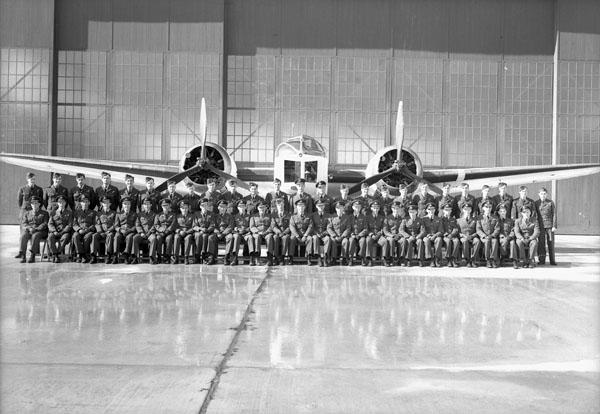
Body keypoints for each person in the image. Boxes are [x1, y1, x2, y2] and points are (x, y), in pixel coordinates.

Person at [18, 196, 49, 263]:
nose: (34, 205)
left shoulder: (44, 213)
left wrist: (36, 229)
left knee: (35, 235)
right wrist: (29, 228)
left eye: (36, 203)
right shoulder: (27, 213)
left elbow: (45, 223)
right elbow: (24, 223)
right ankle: (23, 255)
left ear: (39, 204)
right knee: (23, 236)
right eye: (32, 203)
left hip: (41, 231)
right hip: (30, 230)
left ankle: (33, 255)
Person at [47, 195, 73, 263]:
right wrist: (54, 231)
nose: (61, 204)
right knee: (50, 237)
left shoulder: (69, 213)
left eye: (63, 202)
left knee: (65, 237)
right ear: (57, 203)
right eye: (59, 202)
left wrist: (63, 231)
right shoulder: (53, 213)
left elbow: (69, 225)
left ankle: (57, 254)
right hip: (55, 232)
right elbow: (50, 224)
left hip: (64, 232)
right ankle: (55, 255)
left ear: (65, 203)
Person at [92, 197, 117, 264]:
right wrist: (100, 232)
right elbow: (97, 224)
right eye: (104, 202)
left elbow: (115, 224)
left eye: (107, 202)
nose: (106, 204)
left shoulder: (114, 213)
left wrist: (109, 230)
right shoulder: (99, 213)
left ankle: (108, 255)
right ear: (102, 204)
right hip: (101, 232)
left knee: (110, 235)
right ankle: (93, 256)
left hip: (110, 232)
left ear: (110, 204)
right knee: (94, 236)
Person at [535, 187, 557, 265]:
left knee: (550, 243)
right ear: (539, 194)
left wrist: (554, 226)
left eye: (544, 194)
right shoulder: (536, 203)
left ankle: (552, 260)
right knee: (541, 243)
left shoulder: (550, 202)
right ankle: (541, 260)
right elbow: (535, 215)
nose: (543, 195)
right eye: (541, 194)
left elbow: (554, 214)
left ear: (547, 194)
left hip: (549, 226)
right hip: (540, 226)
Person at [150, 199, 176, 264]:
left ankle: (167, 257)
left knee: (169, 239)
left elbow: (173, 224)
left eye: (166, 205)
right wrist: (162, 230)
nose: (165, 207)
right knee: (158, 238)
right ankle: (159, 256)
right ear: (161, 206)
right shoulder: (158, 215)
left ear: (169, 205)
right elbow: (156, 225)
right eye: (163, 206)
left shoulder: (173, 215)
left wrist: (167, 231)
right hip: (160, 232)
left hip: (169, 233)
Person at [132, 198, 156, 264]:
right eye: (145, 204)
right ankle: (135, 257)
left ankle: (152, 257)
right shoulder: (139, 214)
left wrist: (148, 233)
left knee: (153, 238)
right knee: (135, 238)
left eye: (148, 204)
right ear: (143, 205)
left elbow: (155, 225)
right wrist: (141, 232)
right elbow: (137, 225)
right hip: (141, 233)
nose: (147, 206)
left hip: (150, 233)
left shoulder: (154, 214)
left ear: (151, 205)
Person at [72, 197, 96, 263]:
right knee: (75, 236)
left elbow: (95, 224)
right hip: (80, 230)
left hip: (89, 230)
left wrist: (88, 229)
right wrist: (79, 230)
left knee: (87, 237)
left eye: (86, 202)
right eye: (83, 202)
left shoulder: (93, 212)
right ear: (80, 203)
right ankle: (81, 254)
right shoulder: (76, 212)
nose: (85, 204)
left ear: (89, 203)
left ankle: (84, 254)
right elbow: (74, 224)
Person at [476, 201, 500, 268]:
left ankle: (493, 259)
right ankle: (488, 260)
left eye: (490, 207)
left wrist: (492, 235)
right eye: (486, 207)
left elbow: (497, 228)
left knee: (494, 241)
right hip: (484, 237)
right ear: (483, 208)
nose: (488, 208)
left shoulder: (495, 217)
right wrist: (484, 236)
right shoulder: (480, 217)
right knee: (487, 242)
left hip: (492, 236)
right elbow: (478, 229)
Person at [289, 199, 314, 265]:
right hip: (296, 235)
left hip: (305, 235)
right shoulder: (293, 217)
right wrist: (297, 236)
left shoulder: (309, 216)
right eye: (299, 206)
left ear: (305, 207)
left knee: (310, 239)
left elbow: (310, 226)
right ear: (297, 207)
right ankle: (291, 257)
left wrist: (305, 235)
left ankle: (308, 257)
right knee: (292, 239)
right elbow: (292, 227)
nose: (301, 208)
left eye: (302, 206)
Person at [114, 197, 138, 264]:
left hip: (130, 231)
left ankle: (126, 256)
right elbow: (116, 226)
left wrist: (129, 231)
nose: (126, 206)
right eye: (125, 204)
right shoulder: (118, 214)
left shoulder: (134, 214)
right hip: (121, 231)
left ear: (130, 205)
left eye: (128, 204)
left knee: (129, 237)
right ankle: (115, 256)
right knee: (116, 237)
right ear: (122, 205)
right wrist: (120, 230)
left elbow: (136, 226)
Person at [193, 199, 217, 264]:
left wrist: (207, 230)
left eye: (206, 205)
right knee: (199, 235)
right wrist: (200, 229)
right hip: (199, 231)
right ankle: (197, 255)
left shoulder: (211, 214)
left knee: (205, 236)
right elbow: (194, 226)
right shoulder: (196, 214)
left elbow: (212, 225)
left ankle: (204, 255)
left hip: (208, 232)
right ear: (200, 206)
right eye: (202, 205)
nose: (204, 206)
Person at [171, 200, 195, 264]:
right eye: (183, 208)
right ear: (180, 209)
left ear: (188, 208)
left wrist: (187, 232)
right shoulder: (177, 216)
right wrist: (179, 231)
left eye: (186, 208)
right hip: (179, 232)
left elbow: (194, 226)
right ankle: (176, 257)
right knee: (176, 237)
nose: (184, 209)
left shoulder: (192, 216)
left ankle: (186, 257)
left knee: (188, 238)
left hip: (188, 233)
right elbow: (174, 227)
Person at [346, 199, 369, 266]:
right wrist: (352, 234)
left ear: (361, 207)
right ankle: (351, 258)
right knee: (351, 240)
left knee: (363, 241)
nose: (357, 208)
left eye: (359, 207)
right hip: (352, 235)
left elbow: (366, 228)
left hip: (360, 235)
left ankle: (362, 258)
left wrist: (359, 235)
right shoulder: (349, 217)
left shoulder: (363, 217)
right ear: (353, 207)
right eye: (356, 207)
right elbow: (348, 228)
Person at [250, 202, 274, 266]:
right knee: (257, 237)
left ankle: (269, 258)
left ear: (266, 208)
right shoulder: (253, 216)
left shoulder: (270, 216)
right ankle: (257, 258)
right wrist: (258, 232)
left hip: (267, 232)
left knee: (270, 237)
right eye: (260, 208)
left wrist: (267, 232)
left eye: (263, 207)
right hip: (257, 233)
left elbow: (272, 226)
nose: (262, 209)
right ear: (257, 208)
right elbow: (252, 227)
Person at [229, 200, 252, 266]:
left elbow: (250, 226)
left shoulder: (249, 216)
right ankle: (234, 258)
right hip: (238, 233)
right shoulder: (235, 216)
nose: (241, 208)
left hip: (246, 233)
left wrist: (245, 230)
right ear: (238, 208)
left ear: (245, 207)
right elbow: (232, 226)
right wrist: (235, 229)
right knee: (236, 237)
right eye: (240, 206)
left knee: (250, 237)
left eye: (243, 206)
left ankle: (251, 258)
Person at [269, 198, 292, 265]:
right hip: (277, 233)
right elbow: (273, 226)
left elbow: (290, 226)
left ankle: (282, 257)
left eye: (282, 205)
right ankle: (276, 257)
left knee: (285, 238)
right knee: (275, 238)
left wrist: (284, 232)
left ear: (284, 205)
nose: (280, 207)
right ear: (276, 206)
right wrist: (278, 232)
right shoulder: (273, 215)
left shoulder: (288, 214)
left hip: (285, 233)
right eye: (279, 205)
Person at [382, 202, 405, 266]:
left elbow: (402, 229)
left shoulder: (401, 218)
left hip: (398, 235)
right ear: (392, 209)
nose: (396, 210)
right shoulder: (387, 218)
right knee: (391, 240)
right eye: (394, 209)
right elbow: (385, 230)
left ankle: (401, 259)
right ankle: (390, 258)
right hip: (390, 235)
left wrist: (399, 235)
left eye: (397, 209)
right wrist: (392, 235)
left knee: (403, 240)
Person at [311, 198, 331, 267]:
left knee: (328, 239)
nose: (321, 207)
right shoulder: (313, 215)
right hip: (316, 234)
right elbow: (312, 226)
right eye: (319, 206)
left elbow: (329, 227)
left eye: (322, 205)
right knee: (315, 238)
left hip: (324, 234)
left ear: (324, 206)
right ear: (316, 206)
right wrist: (317, 233)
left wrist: (323, 233)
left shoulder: (328, 215)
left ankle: (325, 257)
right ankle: (319, 257)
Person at [496, 204, 517, 268]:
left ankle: (514, 260)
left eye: (504, 211)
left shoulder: (510, 220)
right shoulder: (497, 220)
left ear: (506, 212)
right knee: (503, 241)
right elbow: (496, 229)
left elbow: (513, 230)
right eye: (501, 211)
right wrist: (501, 236)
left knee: (513, 243)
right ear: (498, 212)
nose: (503, 213)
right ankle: (503, 257)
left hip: (509, 237)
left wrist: (510, 236)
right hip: (501, 237)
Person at [214, 200, 234, 265]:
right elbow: (213, 226)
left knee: (230, 237)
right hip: (218, 233)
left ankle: (226, 256)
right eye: (221, 207)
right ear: (218, 207)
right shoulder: (215, 216)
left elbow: (230, 226)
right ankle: (213, 257)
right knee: (211, 238)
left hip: (226, 233)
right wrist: (217, 233)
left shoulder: (230, 216)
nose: (222, 208)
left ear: (226, 208)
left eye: (224, 207)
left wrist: (223, 233)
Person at [365, 200, 385, 266]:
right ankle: (369, 259)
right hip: (371, 235)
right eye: (374, 208)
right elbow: (366, 228)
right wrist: (371, 234)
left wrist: (378, 234)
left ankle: (384, 259)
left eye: (377, 208)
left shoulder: (382, 217)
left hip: (379, 236)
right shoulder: (367, 217)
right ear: (371, 208)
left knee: (385, 241)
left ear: (379, 209)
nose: (375, 209)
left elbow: (383, 228)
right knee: (368, 240)